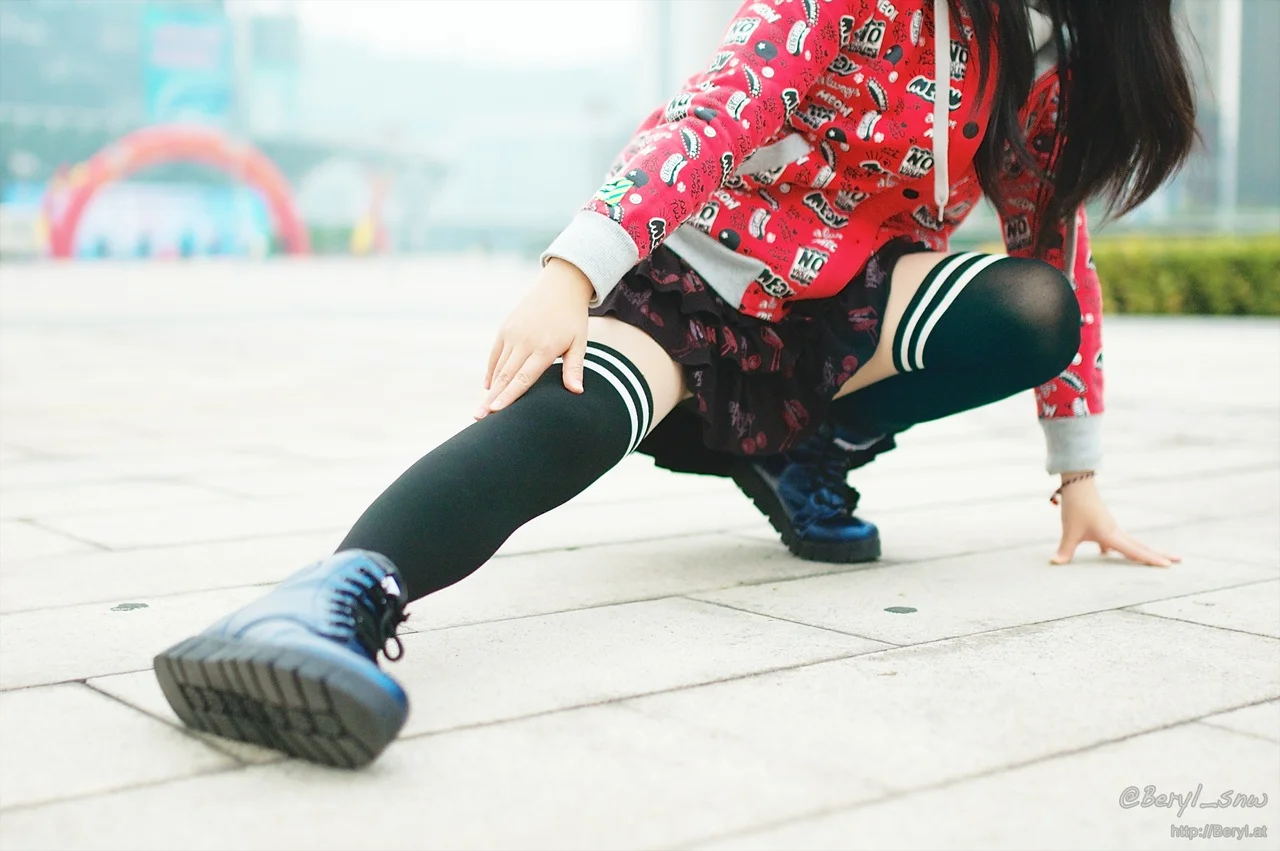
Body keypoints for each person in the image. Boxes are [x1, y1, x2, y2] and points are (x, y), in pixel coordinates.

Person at [153, 0, 1197, 768]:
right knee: (574, 414)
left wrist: (1078, 474)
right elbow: (716, 111)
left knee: (1031, 309)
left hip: (840, 312)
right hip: (699, 274)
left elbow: (1050, 241)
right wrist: (572, 273)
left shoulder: (1047, 58)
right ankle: (327, 601)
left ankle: (801, 453)